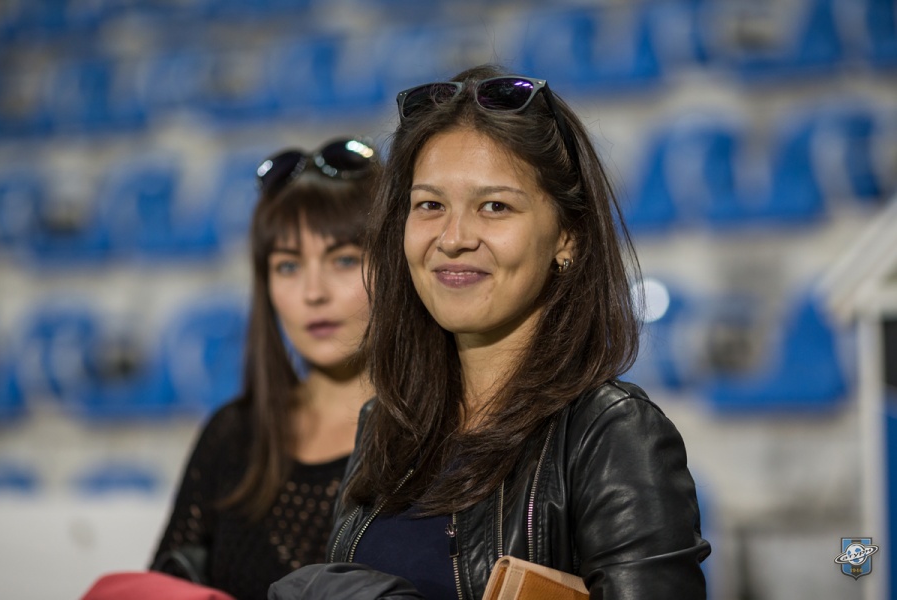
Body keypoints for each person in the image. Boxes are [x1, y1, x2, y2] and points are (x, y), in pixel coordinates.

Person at [272, 64, 711, 600]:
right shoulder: (385, 423)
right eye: (430, 205)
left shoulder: (613, 434)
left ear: (567, 238)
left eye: (495, 206)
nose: (453, 238)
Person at [151, 137, 379, 600]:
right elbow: (162, 586)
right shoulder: (232, 436)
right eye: (288, 266)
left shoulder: (436, 439)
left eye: (343, 260)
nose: (313, 292)